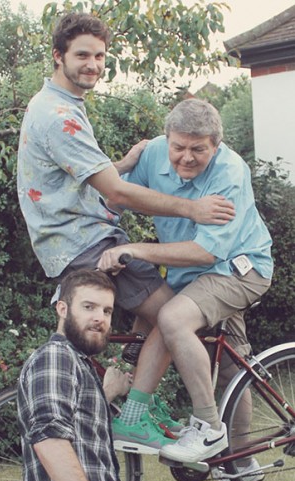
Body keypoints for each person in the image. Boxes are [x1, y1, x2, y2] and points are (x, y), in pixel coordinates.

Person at [16, 11, 235, 449]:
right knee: (176, 316)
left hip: (69, 241)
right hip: (88, 241)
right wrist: (193, 208)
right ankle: (137, 412)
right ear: (57, 56)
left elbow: (77, 183)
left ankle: (139, 397)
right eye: (82, 55)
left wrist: (125, 162)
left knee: (151, 318)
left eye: (99, 55)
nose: (93, 64)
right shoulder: (62, 115)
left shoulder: (55, 106)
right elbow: (118, 193)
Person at [98, 98, 273, 480]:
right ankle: (241, 464)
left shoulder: (230, 172)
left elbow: (205, 251)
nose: (186, 158)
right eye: (179, 147)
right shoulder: (154, 154)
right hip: (195, 278)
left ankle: (208, 428)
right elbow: (109, 196)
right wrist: (125, 165)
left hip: (238, 270)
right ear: (167, 138)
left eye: (199, 149)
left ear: (217, 144)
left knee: (172, 318)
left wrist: (135, 248)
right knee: (232, 368)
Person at [18, 269, 132, 481]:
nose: (100, 318)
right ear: (62, 309)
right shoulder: (56, 355)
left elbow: (77, 419)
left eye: (107, 311)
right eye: (88, 307)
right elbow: (50, 439)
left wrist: (106, 392)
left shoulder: (76, 363)